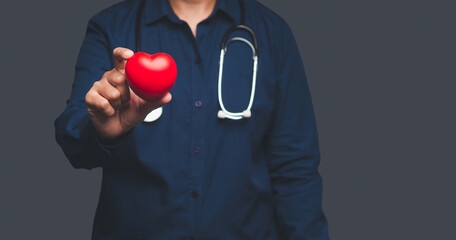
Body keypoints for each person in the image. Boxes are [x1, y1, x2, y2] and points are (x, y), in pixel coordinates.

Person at [54, 0, 329, 239]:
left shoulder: (272, 33)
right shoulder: (110, 27)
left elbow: (295, 169)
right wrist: (103, 132)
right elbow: (74, 141)